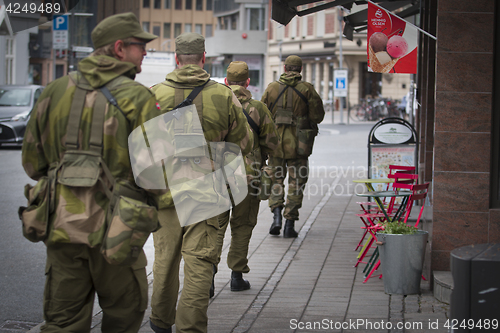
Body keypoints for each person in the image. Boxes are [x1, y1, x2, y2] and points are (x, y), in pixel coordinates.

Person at [21, 13, 160, 332]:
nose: (145, 53)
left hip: (62, 226)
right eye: (141, 45)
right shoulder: (139, 98)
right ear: (120, 48)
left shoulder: (53, 91)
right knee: (124, 317)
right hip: (119, 231)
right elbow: (160, 175)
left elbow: (32, 165)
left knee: (62, 322)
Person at [149, 33, 253, 333]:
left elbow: (141, 148)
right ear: (204, 57)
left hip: (165, 192)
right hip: (207, 194)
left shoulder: (154, 94)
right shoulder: (223, 96)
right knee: (199, 266)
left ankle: (158, 322)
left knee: (165, 261)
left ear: (176, 57)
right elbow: (243, 144)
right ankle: (190, 328)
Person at [215, 61, 279, 291]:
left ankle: (207, 278)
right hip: (248, 177)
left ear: (225, 81)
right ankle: (236, 277)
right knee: (242, 225)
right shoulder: (258, 108)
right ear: (247, 82)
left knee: (214, 227)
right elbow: (272, 144)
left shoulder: (216, 106)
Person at [261, 55, 325, 238]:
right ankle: (289, 223)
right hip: (299, 146)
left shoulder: (272, 88)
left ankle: (276, 217)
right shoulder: (307, 90)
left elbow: (263, 114)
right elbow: (318, 116)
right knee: (297, 183)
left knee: (275, 180)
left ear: (284, 67)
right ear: (300, 69)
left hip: (275, 145)